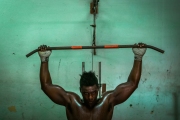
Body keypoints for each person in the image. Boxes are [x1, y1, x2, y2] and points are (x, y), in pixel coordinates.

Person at [38, 43, 146, 120]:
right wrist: (44, 59)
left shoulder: (108, 101)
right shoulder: (72, 102)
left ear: (98, 89)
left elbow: (132, 84)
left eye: (93, 93)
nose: (90, 97)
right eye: (86, 93)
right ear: (80, 90)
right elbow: (46, 85)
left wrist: (138, 56)